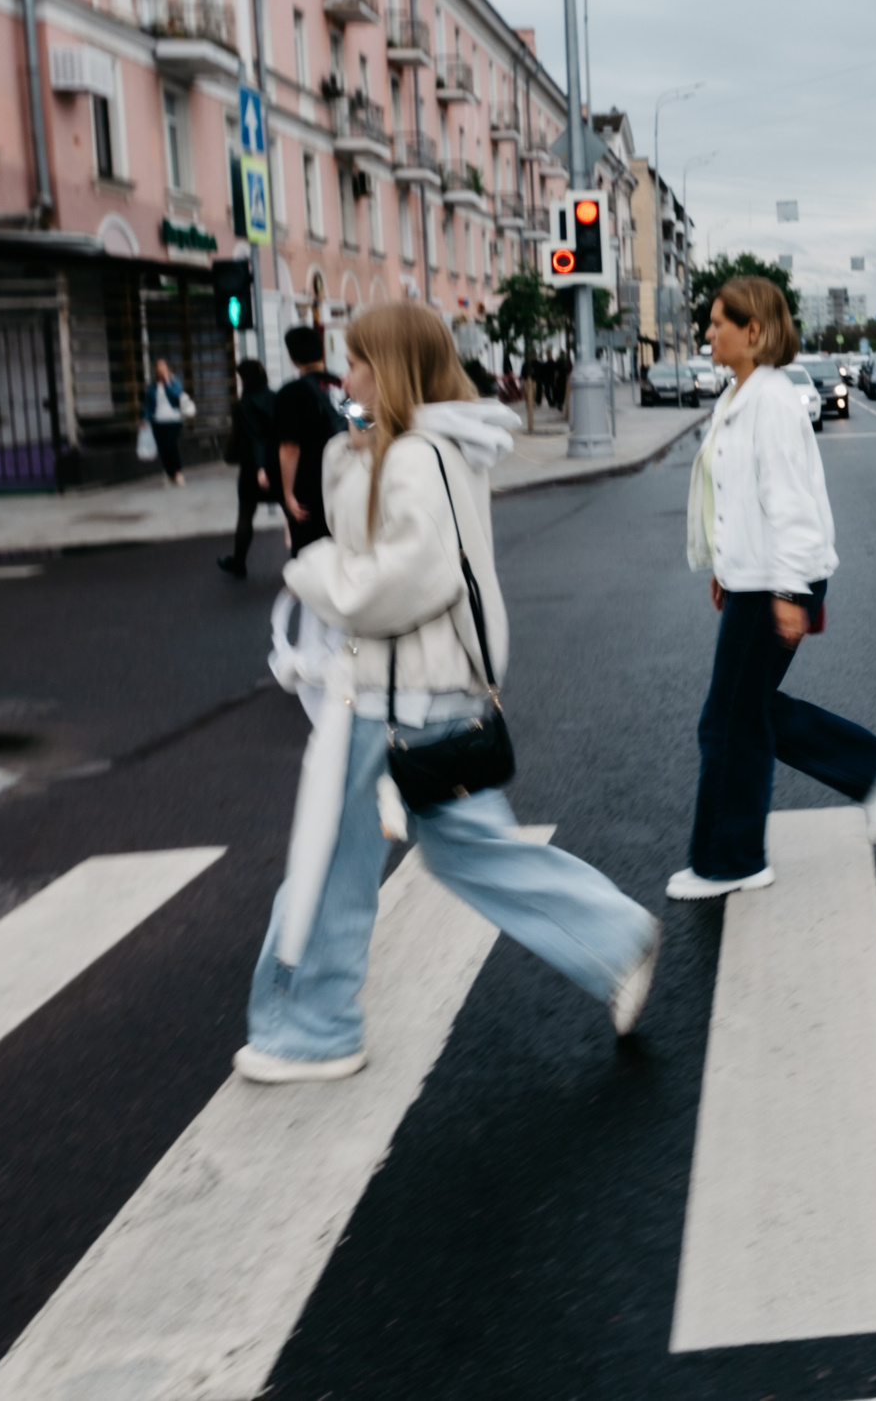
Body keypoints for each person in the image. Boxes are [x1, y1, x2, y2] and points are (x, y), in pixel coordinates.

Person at [238, 302, 661, 1083]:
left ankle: (311, 1027)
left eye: (360, 361)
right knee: (464, 847)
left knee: (332, 858)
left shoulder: (411, 457)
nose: (348, 374)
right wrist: (353, 442)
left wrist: (312, 573)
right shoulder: (419, 447)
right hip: (427, 689)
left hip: (396, 694)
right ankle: (612, 934)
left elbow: (404, 577)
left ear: (391, 367)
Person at [673, 275, 876, 900]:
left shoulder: (772, 401)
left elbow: (792, 504)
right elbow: (740, 498)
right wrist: (728, 568)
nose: (708, 333)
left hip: (781, 578)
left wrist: (785, 590)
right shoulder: (742, 393)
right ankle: (871, 768)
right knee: (744, 712)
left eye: (719, 322)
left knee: (727, 722)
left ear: (753, 331)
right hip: (757, 578)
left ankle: (731, 862)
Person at [274, 325, 340, 554]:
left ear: (292, 358)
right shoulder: (341, 385)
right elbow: (364, 426)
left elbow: (289, 448)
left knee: (309, 555)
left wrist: (288, 494)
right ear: (322, 350)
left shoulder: (290, 393)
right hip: (344, 480)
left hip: (310, 487)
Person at [217, 358, 277, 579]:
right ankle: (299, 559)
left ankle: (239, 562)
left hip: (254, 468)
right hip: (278, 464)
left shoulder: (245, 404)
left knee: (245, 514)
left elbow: (255, 438)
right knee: (290, 512)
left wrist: (260, 468)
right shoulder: (275, 398)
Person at [143, 359, 194, 485]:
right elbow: (148, 405)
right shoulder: (152, 387)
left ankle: (178, 472)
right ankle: (169, 473)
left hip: (173, 420)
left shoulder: (174, 382)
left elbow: (177, 397)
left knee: (171, 446)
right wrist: (146, 418)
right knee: (163, 448)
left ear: (167, 369)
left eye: (163, 368)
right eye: (158, 369)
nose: (161, 371)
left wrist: (167, 384)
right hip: (158, 421)